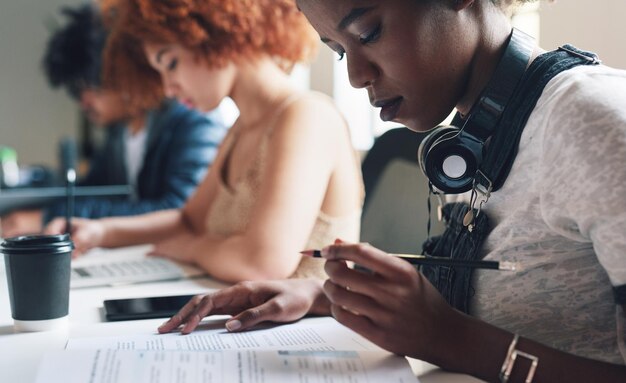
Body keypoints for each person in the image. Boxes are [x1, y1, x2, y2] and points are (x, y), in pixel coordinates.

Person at [158, 0, 626, 381]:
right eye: (339, 51)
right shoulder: (477, 133)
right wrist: (321, 295)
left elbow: (464, 334)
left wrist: (448, 338)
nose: (355, 76)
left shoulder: (591, 120)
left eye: (367, 33)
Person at [46, 0, 364, 283]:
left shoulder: (307, 115)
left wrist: (193, 248)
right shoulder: (241, 128)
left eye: (170, 63)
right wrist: (102, 232)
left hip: (307, 338)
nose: (168, 88)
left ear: (215, 33)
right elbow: (189, 221)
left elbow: (262, 264)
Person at [0, 3, 227, 238]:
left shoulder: (193, 120)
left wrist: (49, 217)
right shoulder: (119, 134)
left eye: (88, 87)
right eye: (75, 93)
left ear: (117, 70)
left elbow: (179, 211)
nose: (83, 102)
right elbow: (94, 192)